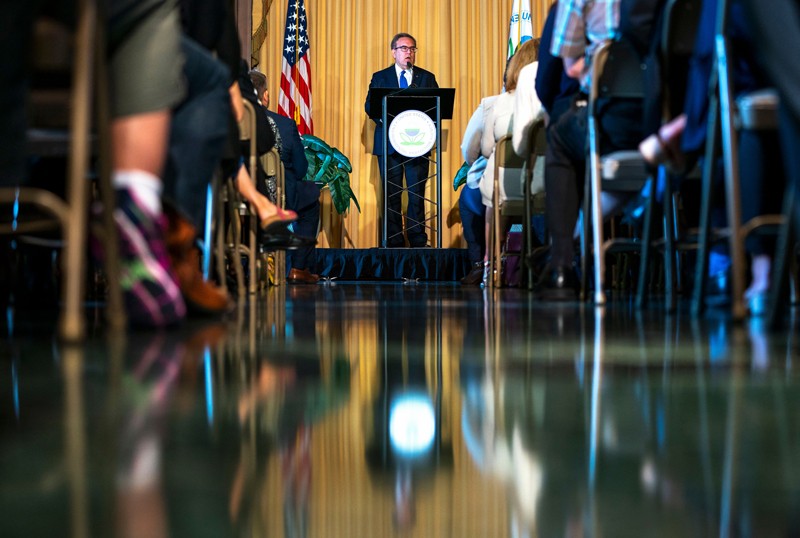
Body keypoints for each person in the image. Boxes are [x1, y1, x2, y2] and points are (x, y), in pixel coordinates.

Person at [537, 0, 659, 301]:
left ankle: (562, 264)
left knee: (560, 141)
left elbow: (562, 71)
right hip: (668, 117)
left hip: (613, 115)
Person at [365, 33, 439, 248]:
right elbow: (370, 107)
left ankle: (418, 241)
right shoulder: (380, 77)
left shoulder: (426, 77)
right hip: (389, 145)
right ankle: (394, 242)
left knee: (416, 194)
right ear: (393, 52)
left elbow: (436, 109)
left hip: (418, 145)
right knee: (392, 195)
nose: (409, 53)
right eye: (404, 48)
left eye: (412, 49)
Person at [249, 69, 322, 285]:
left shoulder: (229, 120)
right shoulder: (285, 124)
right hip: (279, 196)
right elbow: (300, 169)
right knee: (310, 201)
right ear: (266, 95)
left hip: (238, 195)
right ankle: (299, 268)